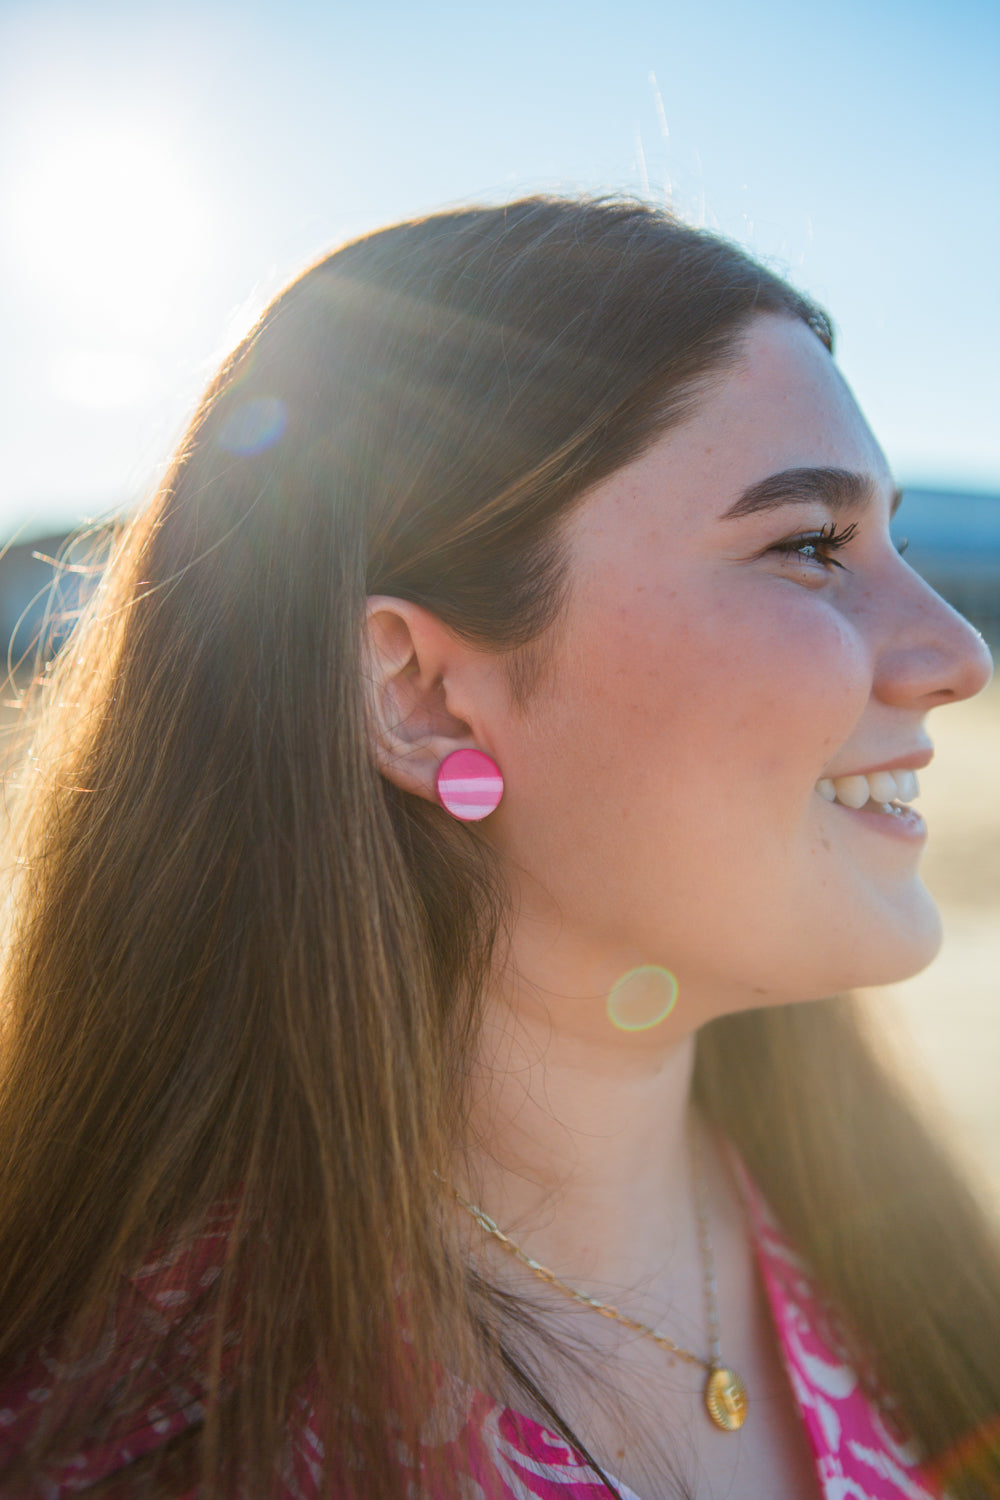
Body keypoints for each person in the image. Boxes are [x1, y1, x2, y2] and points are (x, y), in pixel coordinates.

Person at [0, 196, 996, 1500]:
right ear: (417, 694)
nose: (958, 656)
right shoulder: (175, 1450)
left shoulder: (896, 1248)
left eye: (897, 543)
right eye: (810, 545)